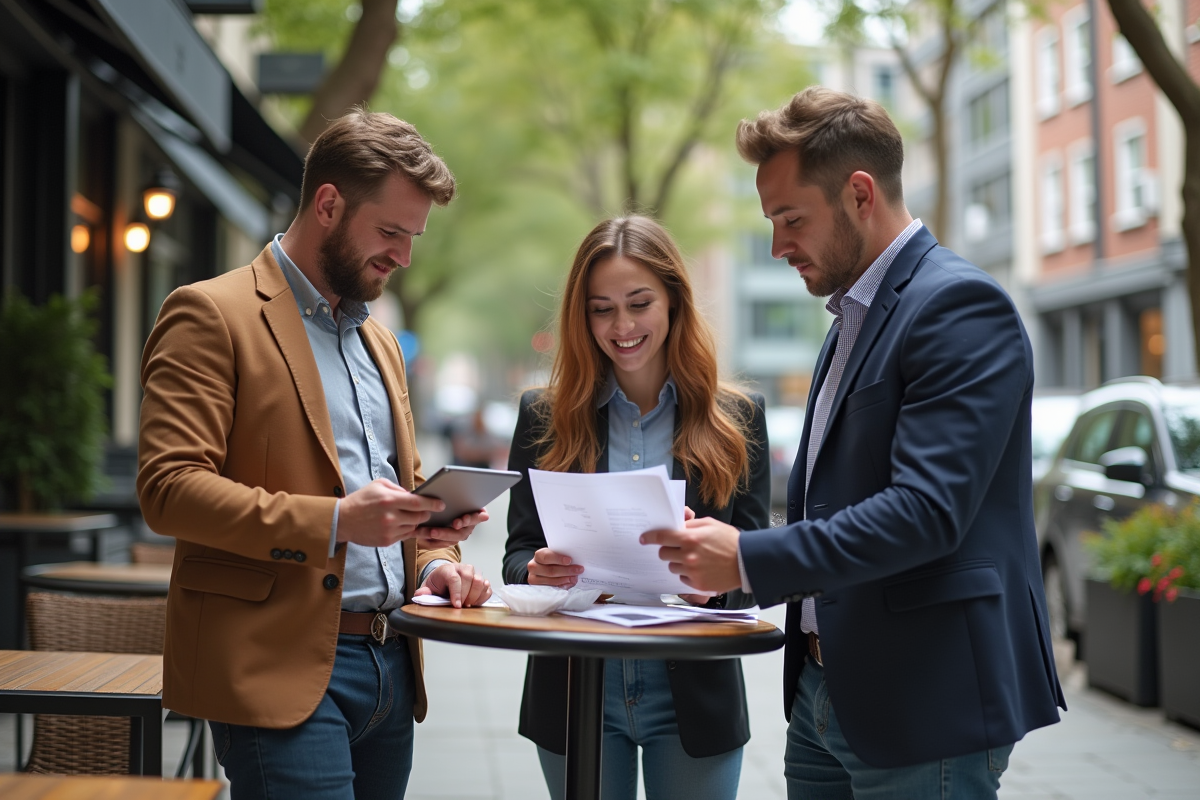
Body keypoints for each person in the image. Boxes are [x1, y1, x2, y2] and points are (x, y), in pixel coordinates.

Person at [642, 87, 1066, 799]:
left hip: (923, 700)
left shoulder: (959, 306)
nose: (778, 246)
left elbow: (925, 512)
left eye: (790, 218)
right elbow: (845, 498)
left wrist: (748, 556)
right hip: (823, 693)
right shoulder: (851, 318)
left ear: (860, 194)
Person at [137, 109, 493, 800]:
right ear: (328, 204)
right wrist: (335, 522)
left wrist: (438, 558)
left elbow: (399, 491)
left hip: (391, 664)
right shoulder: (209, 314)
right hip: (275, 665)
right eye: (391, 232)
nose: (404, 257)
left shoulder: (381, 344)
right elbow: (168, 489)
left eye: (414, 237)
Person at [503, 216, 771, 800]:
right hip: (574, 689)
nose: (621, 326)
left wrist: (716, 584)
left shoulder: (738, 418)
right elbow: (516, 553)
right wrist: (536, 570)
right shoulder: (543, 416)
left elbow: (758, 568)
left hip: (694, 695)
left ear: (674, 301)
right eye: (601, 309)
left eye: (639, 303)